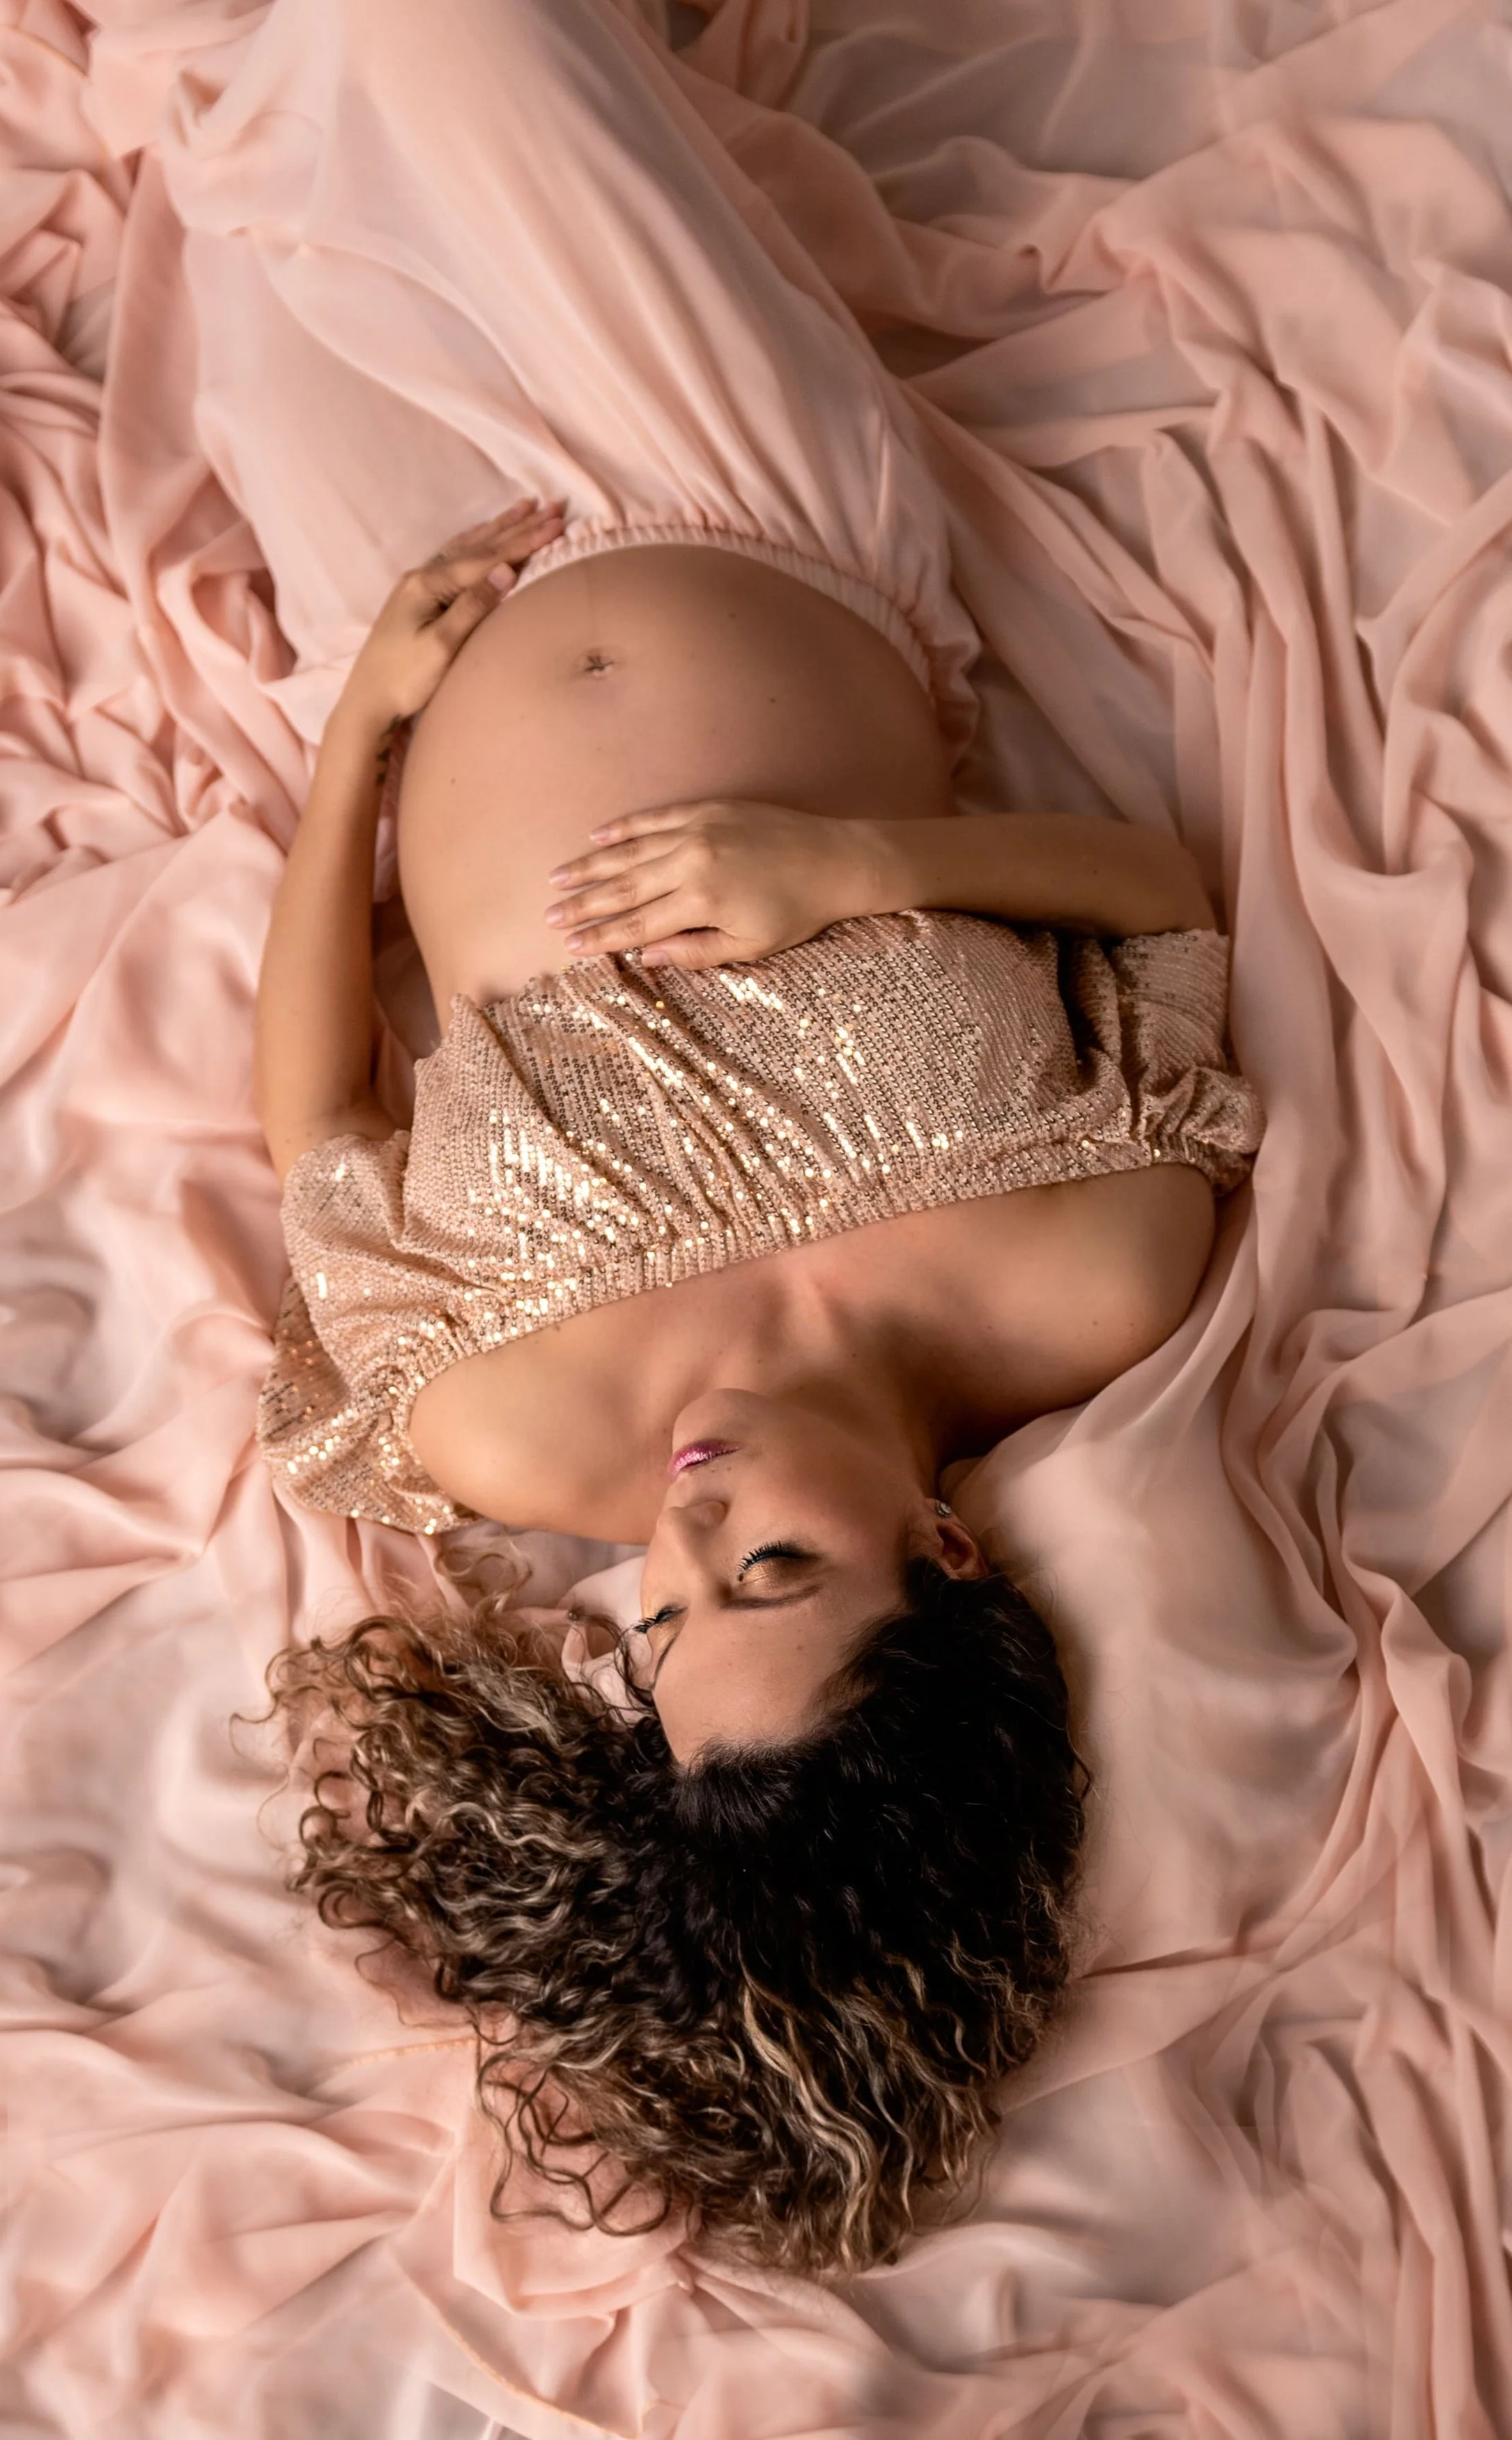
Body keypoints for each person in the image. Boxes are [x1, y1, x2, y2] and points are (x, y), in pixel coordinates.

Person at [214, 0, 1264, 2272]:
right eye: (772, 1568)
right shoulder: (1086, 1273)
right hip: (748, 500)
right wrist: (864, 868)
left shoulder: (504, 1432)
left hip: (413, 590)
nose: (680, 1529)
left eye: (660, 1622)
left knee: (240, 174)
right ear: (947, 1559)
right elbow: (1161, 897)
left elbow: (316, 1115)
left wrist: (357, 739)